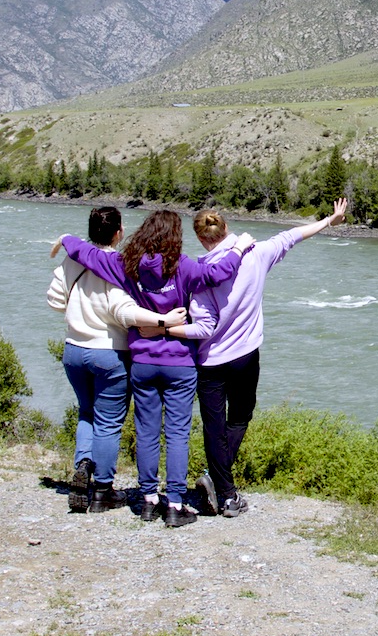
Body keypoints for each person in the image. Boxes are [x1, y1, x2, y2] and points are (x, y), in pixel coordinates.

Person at [58, 210, 241, 527]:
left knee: (146, 433)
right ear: (175, 236)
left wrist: (66, 239)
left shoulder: (127, 264)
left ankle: (147, 500)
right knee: (177, 435)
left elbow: (89, 254)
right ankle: (175, 503)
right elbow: (218, 273)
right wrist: (239, 249)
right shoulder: (183, 266)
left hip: (142, 361)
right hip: (180, 363)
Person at [189, 196, 349, 517]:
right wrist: (331, 220)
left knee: (213, 426)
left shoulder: (199, 273)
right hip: (245, 356)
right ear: (227, 227)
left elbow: (199, 323)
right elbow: (293, 235)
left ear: (201, 238)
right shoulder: (258, 254)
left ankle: (222, 488)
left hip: (209, 361)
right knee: (240, 417)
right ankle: (221, 486)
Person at [47, 205, 186, 513]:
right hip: (110, 352)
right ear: (119, 231)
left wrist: (77, 313)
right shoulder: (120, 266)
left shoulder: (72, 261)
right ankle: (101, 490)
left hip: (73, 349)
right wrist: (163, 320)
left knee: (86, 413)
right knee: (109, 421)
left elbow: (55, 299)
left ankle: (83, 463)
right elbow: (123, 312)